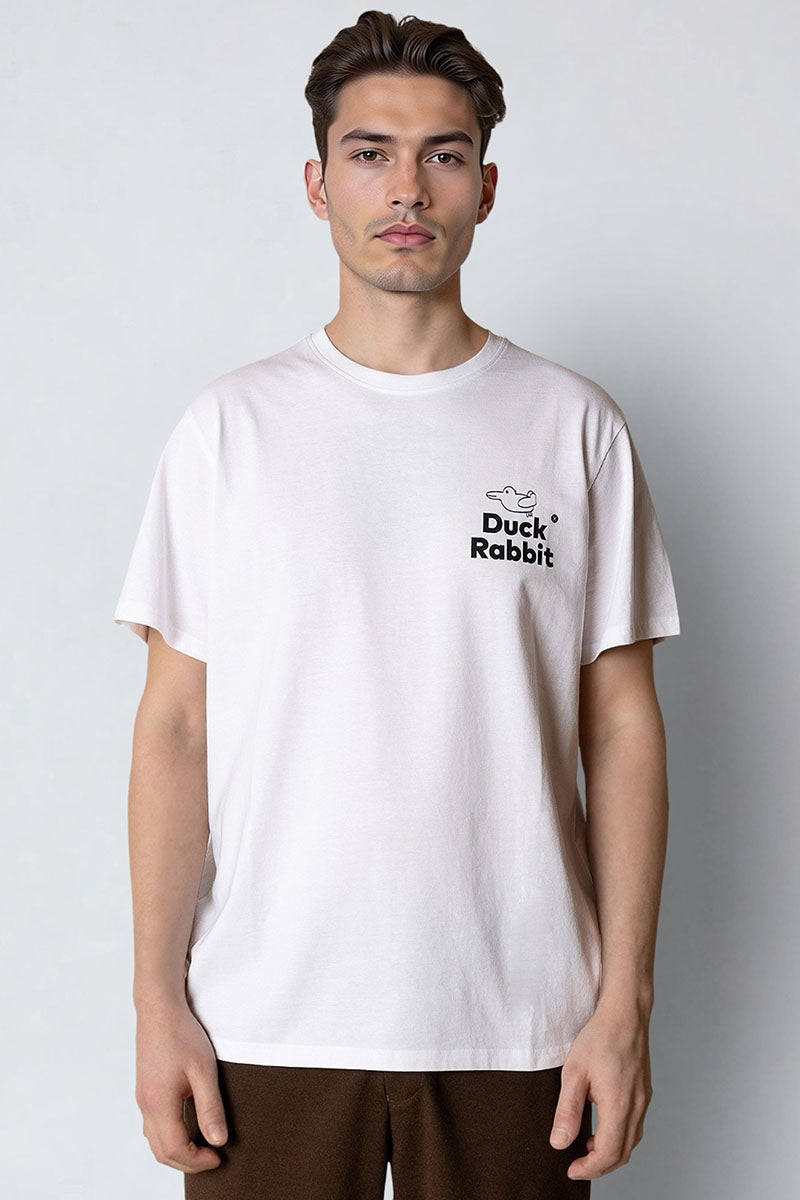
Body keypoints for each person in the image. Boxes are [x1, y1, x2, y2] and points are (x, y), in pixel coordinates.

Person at [113, 10, 681, 1199]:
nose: (407, 189)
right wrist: (156, 1003)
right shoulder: (230, 430)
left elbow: (622, 727)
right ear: (317, 184)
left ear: (485, 187)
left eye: (443, 154)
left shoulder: (572, 426)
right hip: (264, 1022)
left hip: (520, 1025)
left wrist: (622, 1004)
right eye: (370, 153)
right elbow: (175, 726)